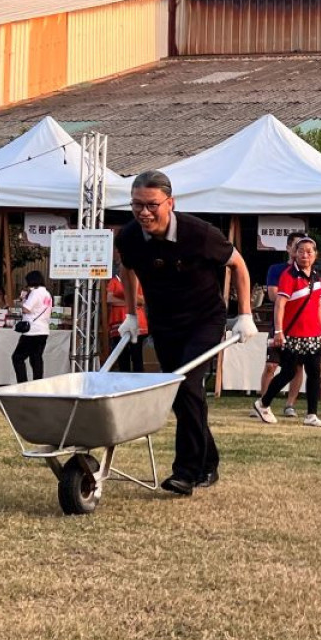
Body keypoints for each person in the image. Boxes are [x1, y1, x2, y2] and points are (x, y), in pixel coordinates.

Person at [115, 170, 257, 496]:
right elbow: (127, 268)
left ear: (170, 202)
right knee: (181, 395)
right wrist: (131, 314)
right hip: (164, 321)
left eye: (152, 205)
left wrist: (245, 314)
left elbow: (239, 265)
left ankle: (186, 472)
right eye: (136, 205)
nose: (144, 212)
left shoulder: (199, 233)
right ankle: (208, 461)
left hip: (203, 320)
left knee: (187, 385)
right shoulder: (130, 237)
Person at [253, 235, 321, 427]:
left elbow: (318, 307)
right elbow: (280, 304)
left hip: (313, 335)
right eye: (301, 251)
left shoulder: (317, 277)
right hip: (293, 334)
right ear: (294, 253)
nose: (305, 255)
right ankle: (263, 403)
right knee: (288, 372)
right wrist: (279, 331)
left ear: (315, 255)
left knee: (314, 373)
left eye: (309, 251)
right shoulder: (288, 275)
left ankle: (311, 414)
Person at [255, 231, 305, 418]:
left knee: (298, 367)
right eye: (297, 247)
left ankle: (290, 404)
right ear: (288, 248)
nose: (301, 252)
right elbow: (273, 295)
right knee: (271, 365)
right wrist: (293, 299)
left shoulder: (308, 274)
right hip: (279, 324)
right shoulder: (276, 270)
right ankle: (263, 403)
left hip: (300, 326)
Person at [107, 249, 148, 373]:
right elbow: (109, 299)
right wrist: (131, 299)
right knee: (122, 357)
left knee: (137, 356)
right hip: (118, 322)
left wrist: (124, 295)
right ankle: (124, 386)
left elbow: (142, 300)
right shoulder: (114, 281)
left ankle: (138, 386)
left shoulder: (139, 281)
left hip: (137, 323)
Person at [11, 271, 53, 383]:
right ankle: (38, 383)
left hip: (32, 331)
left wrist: (21, 301)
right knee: (36, 358)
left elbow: (26, 309)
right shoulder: (47, 294)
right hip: (43, 330)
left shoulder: (36, 293)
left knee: (17, 358)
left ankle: (22, 383)